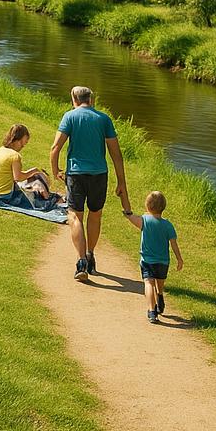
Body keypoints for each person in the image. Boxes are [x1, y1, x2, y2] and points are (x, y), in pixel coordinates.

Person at [50, 85, 130, 282]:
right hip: (99, 175)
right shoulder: (104, 119)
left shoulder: (69, 117)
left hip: (76, 174)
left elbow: (55, 147)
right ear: (91, 100)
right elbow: (116, 154)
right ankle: (90, 255)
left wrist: (55, 170)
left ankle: (81, 262)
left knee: (74, 216)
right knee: (95, 215)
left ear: (74, 100)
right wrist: (121, 182)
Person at [124, 191, 183, 324]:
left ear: (147, 206)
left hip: (147, 261)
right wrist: (179, 259)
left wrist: (127, 213)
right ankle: (160, 296)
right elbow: (174, 244)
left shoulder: (144, 220)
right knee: (159, 283)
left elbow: (132, 218)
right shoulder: (168, 225)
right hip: (163, 262)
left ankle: (152, 311)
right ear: (163, 207)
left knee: (149, 283)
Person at [0, 124, 62, 211]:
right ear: (19, 140)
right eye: (23, 144)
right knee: (34, 201)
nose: (22, 147)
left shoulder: (0, 150)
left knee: (25, 188)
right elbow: (18, 178)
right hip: (3, 196)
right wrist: (33, 171)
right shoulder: (15, 156)